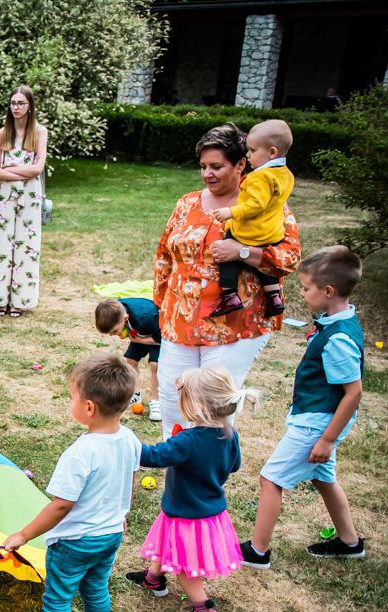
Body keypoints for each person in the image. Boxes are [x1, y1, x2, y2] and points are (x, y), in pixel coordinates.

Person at [153, 123, 302, 440]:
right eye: (203, 166)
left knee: (212, 407)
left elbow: (290, 257)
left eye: (217, 166)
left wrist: (243, 251)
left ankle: (208, 481)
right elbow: (164, 254)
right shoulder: (187, 203)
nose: (207, 174)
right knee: (171, 399)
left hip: (235, 323)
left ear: (240, 164)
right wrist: (161, 306)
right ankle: (176, 475)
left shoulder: (266, 205)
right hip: (180, 321)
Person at [3, 354, 141, 612]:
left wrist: (23, 535)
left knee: (59, 597)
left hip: (74, 541)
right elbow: (128, 482)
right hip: (109, 535)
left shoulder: (80, 454)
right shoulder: (130, 441)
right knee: (96, 588)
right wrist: (122, 513)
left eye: (72, 397)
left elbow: (60, 506)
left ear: (89, 407)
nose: (71, 403)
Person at [242, 246, 365, 570]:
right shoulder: (338, 321)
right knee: (324, 478)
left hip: (318, 423)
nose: (302, 292)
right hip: (318, 419)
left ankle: (258, 551)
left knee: (271, 479)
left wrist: (326, 439)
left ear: (328, 291)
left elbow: (352, 393)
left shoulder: (338, 337)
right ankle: (350, 542)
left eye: (306, 288)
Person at [124, 367, 255, 612]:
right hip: (209, 509)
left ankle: (204, 610)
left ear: (195, 405)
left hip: (188, 513)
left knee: (184, 563)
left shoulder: (188, 440)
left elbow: (153, 456)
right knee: (167, 544)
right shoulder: (230, 434)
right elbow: (234, 466)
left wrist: (126, 442)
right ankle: (153, 578)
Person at [206, 119, 294, 319]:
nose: (249, 154)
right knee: (262, 262)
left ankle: (229, 295)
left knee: (226, 250)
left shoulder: (259, 177)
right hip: (271, 232)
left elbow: (256, 205)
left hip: (251, 230)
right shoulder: (285, 174)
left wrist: (232, 212)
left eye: (252, 151)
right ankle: (273, 296)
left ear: (271, 152)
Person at [0, 85, 47, 317]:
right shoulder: (2, 134)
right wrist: (23, 171)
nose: (16, 108)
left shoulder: (39, 132)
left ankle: (21, 300)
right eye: (13, 103)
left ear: (30, 106)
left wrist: (13, 167)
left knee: (26, 245)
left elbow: (38, 168)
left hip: (30, 195)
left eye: (21, 103)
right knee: (2, 243)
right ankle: (0, 298)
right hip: (5, 195)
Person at [94, 297, 162, 421]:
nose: (112, 335)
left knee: (155, 366)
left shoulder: (147, 316)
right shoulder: (116, 310)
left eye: (114, 331)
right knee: (130, 361)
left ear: (125, 318)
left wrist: (140, 340)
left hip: (157, 335)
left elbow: (161, 338)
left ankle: (157, 402)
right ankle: (135, 394)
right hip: (139, 332)